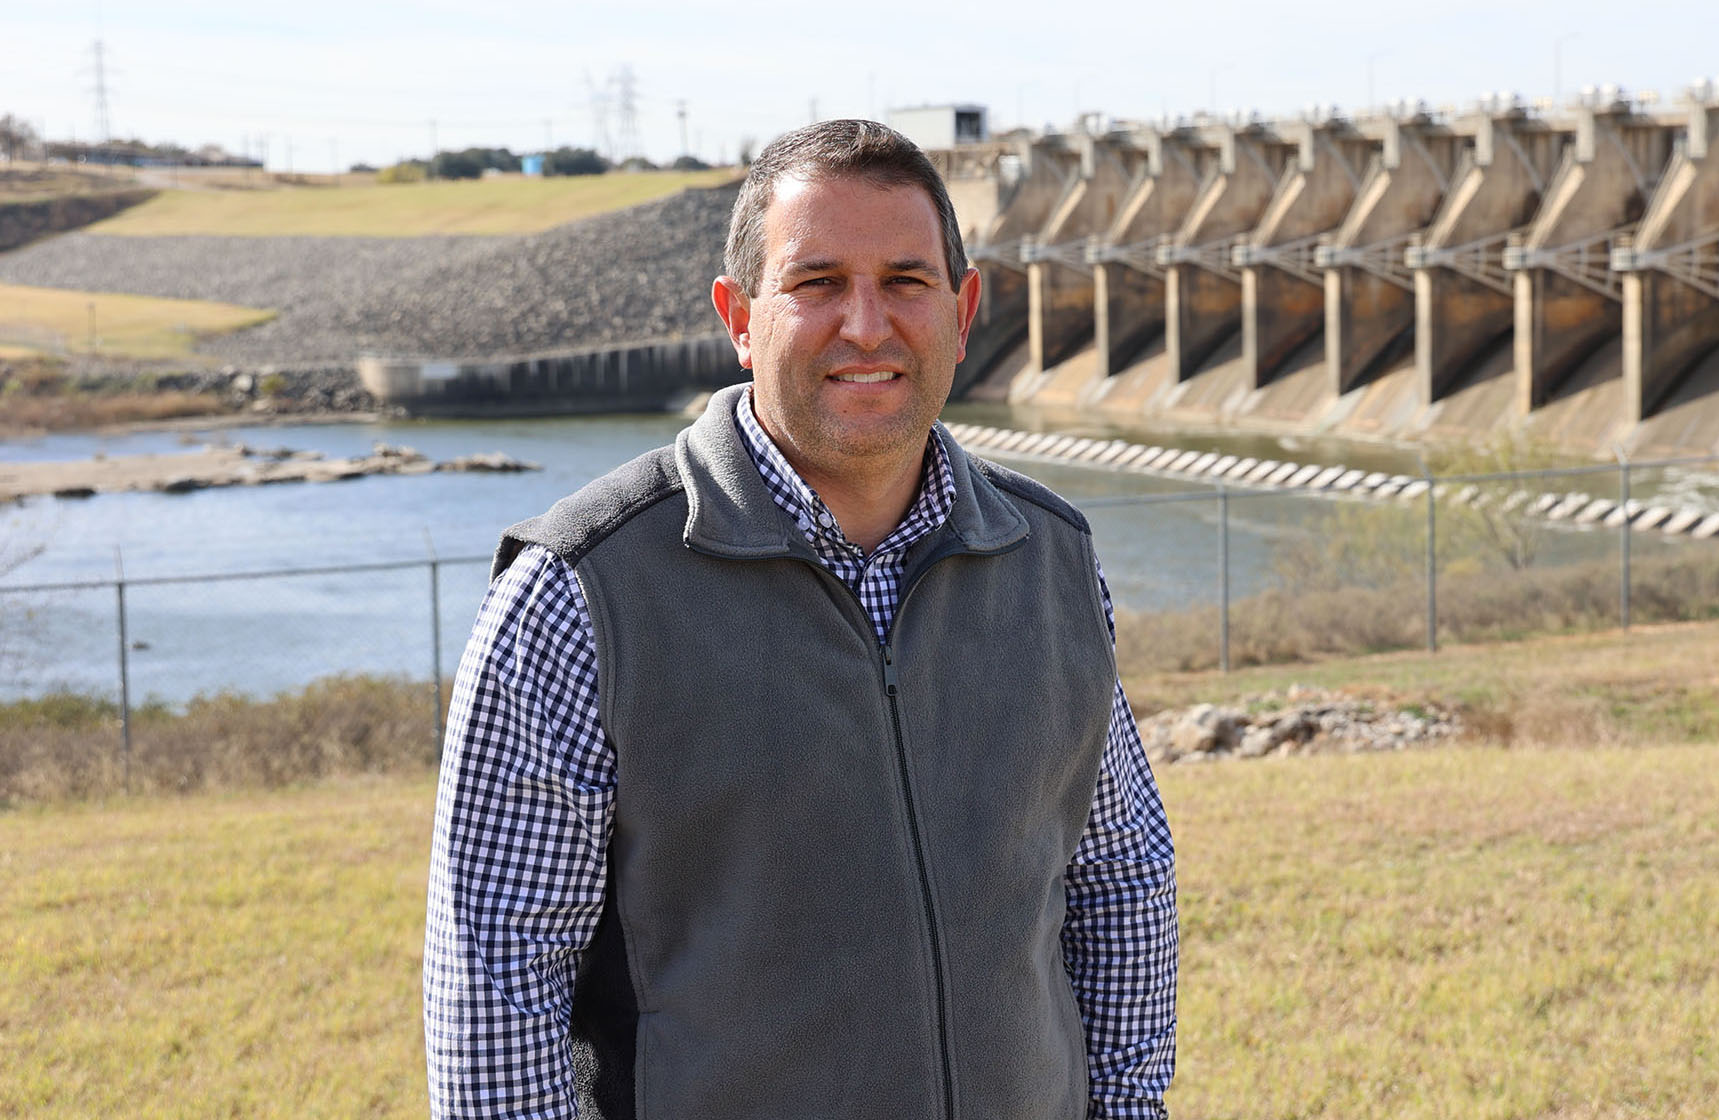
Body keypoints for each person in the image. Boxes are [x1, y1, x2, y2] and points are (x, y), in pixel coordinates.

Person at [423, 120, 1177, 1119]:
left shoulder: (1051, 559)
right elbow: (498, 991)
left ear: (963, 312)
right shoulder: (580, 594)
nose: (866, 326)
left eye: (906, 281)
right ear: (740, 317)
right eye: (817, 283)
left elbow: (1120, 876)